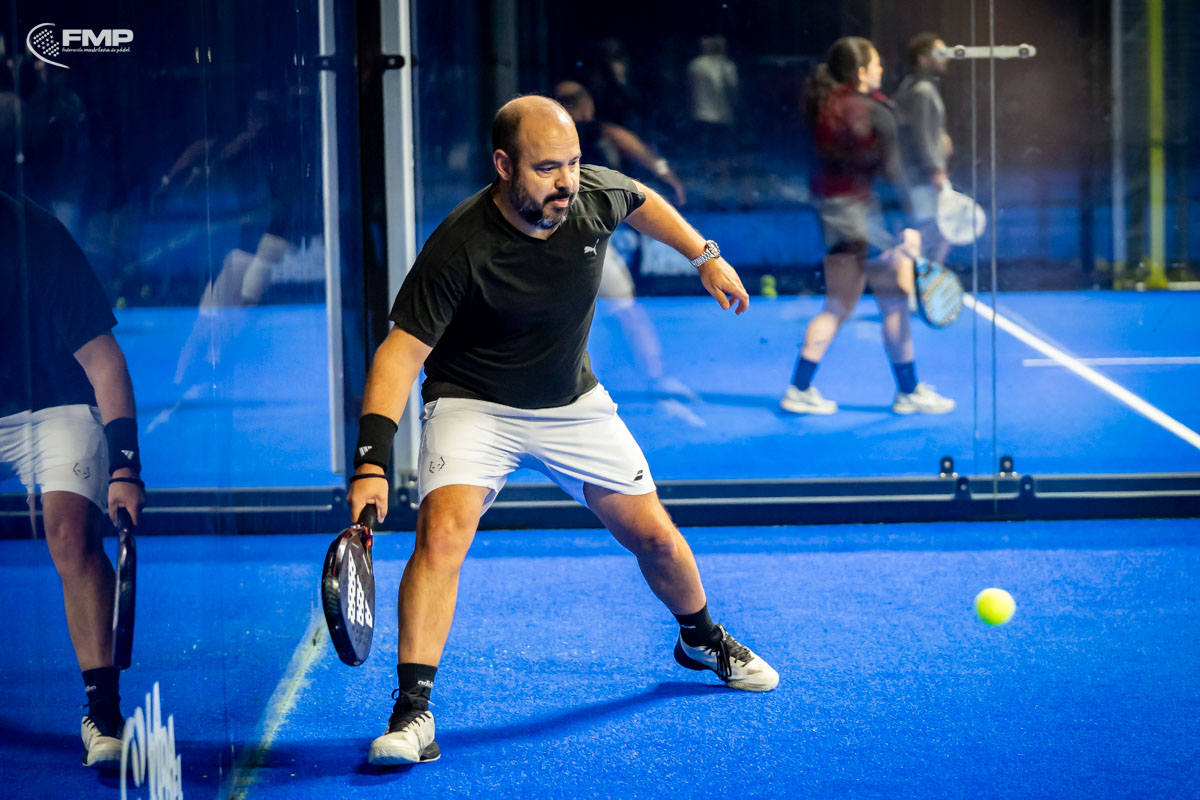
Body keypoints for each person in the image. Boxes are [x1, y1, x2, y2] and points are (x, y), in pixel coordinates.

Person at [347, 95, 777, 766]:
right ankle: (413, 713)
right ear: (503, 166)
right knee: (442, 536)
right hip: (473, 405)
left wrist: (705, 256)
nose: (567, 181)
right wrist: (371, 463)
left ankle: (700, 639)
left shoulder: (593, 196)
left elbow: (641, 200)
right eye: (547, 168)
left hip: (571, 403)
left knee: (655, 536)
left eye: (573, 163)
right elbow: (399, 355)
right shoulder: (459, 244)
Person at [0, 189, 146, 769]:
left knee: (69, 534)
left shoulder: (35, 236)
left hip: (54, 404)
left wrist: (125, 467)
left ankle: (104, 713)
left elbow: (104, 360)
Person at [780, 36, 954, 416]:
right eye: (875, 64)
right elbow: (891, 175)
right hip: (868, 220)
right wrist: (907, 226)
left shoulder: (823, 109)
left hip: (833, 216)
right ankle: (909, 392)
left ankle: (799, 388)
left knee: (837, 305)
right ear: (861, 72)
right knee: (894, 302)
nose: (881, 70)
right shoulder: (877, 112)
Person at [553, 80, 701, 416]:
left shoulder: (543, 145)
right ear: (585, 106)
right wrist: (664, 171)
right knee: (625, 309)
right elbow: (624, 141)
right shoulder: (588, 135)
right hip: (580, 238)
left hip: (561, 238)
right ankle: (656, 381)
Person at [894, 32, 952, 266]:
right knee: (933, 230)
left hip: (916, 174)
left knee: (929, 230)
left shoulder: (912, 86)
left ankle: (924, 279)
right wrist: (935, 169)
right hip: (922, 176)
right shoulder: (922, 90)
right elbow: (921, 134)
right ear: (923, 58)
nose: (946, 57)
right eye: (940, 52)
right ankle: (927, 280)